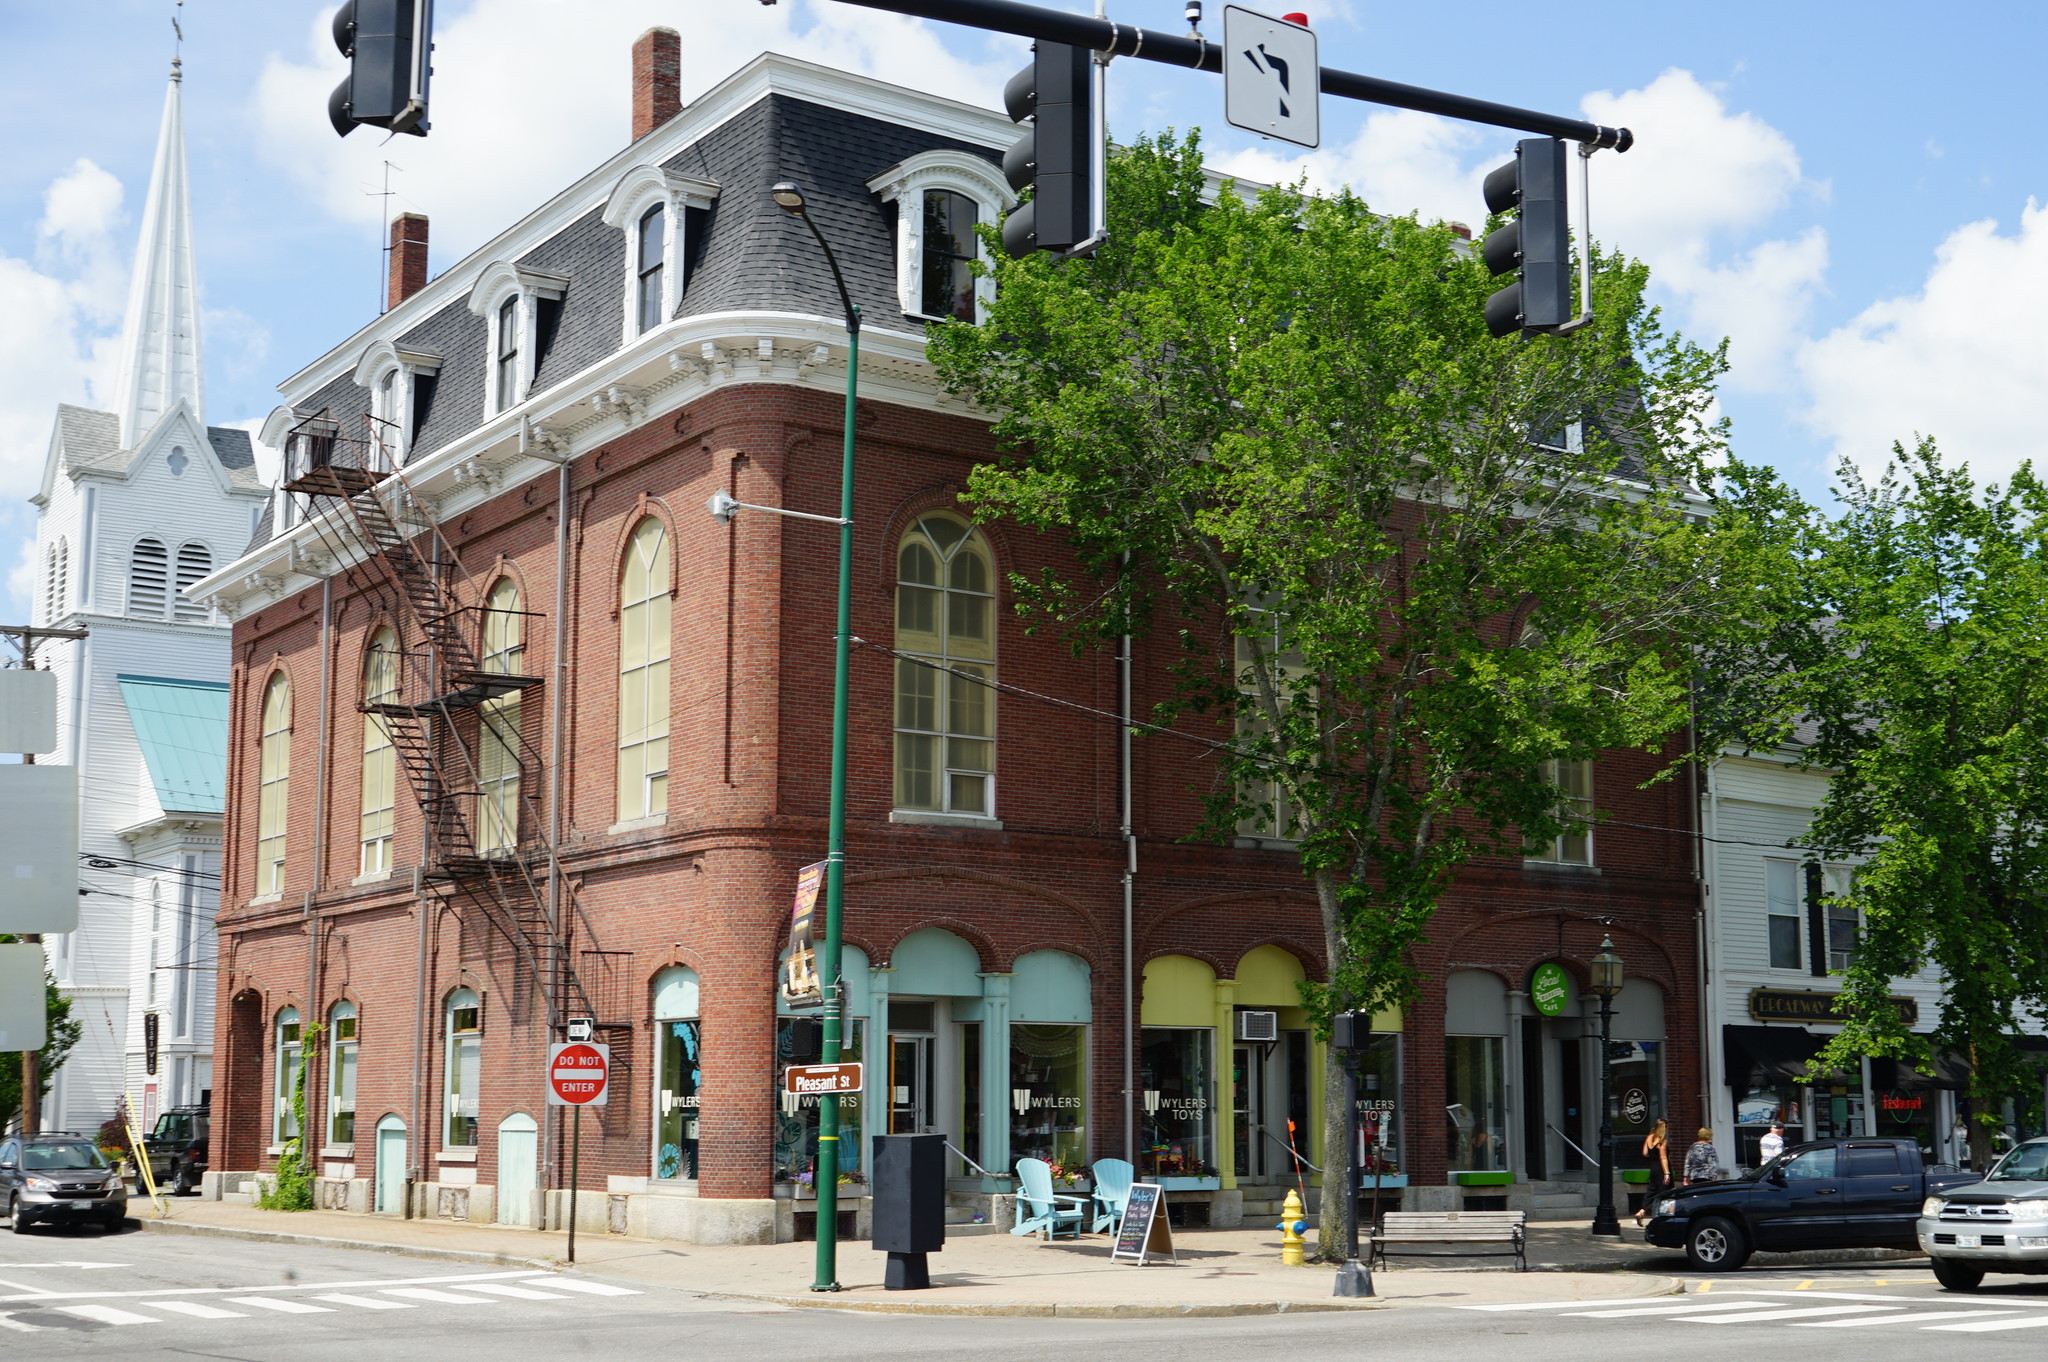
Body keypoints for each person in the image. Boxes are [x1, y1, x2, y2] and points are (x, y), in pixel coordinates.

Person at [1633, 1118, 1671, 1226]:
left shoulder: (1649, 1138)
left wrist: (1652, 1156)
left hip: (1652, 1167)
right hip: (1660, 1169)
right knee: (1664, 1193)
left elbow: (1644, 1153)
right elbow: (1663, 1158)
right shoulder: (1662, 1142)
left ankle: (1642, 1211)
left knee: (1651, 1191)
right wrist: (1667, 1173)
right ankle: (1662, 1217)